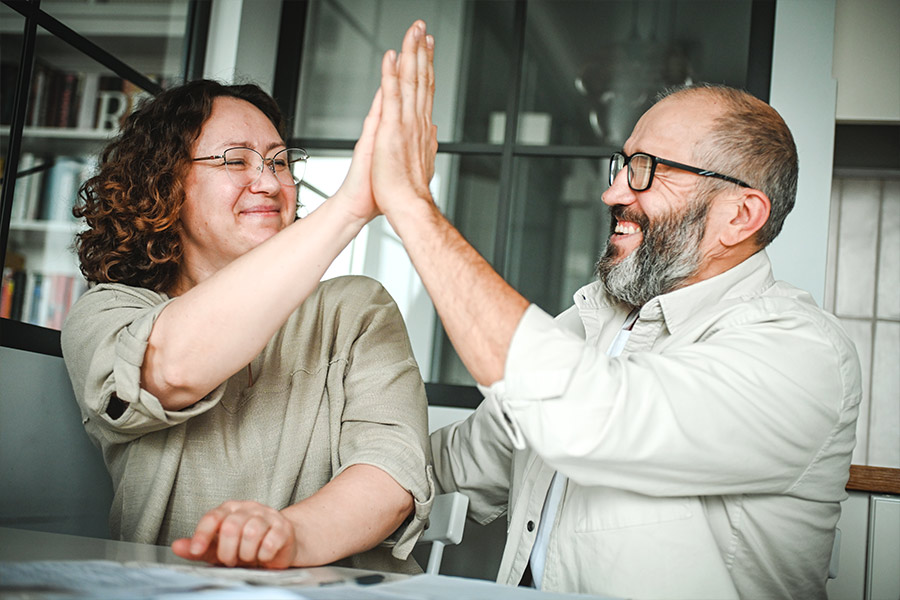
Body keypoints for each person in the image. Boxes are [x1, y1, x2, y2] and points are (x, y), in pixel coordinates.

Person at [367, 21, 862, 599]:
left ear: (741, 216)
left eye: (647, 170)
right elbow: (458, 459)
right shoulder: (590, 322)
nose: (615, 193)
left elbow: (595, 420)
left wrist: (412, 207)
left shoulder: (801, 353)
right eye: (622, 166)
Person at [61, 70, 435, 573]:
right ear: (164, 184)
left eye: (280, 163)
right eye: (236, 161)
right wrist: (351, 206)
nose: (268, 182)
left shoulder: (357, 308)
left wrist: (292, 536)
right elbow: (169, 369)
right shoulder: (108, 314)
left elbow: (392, 475)